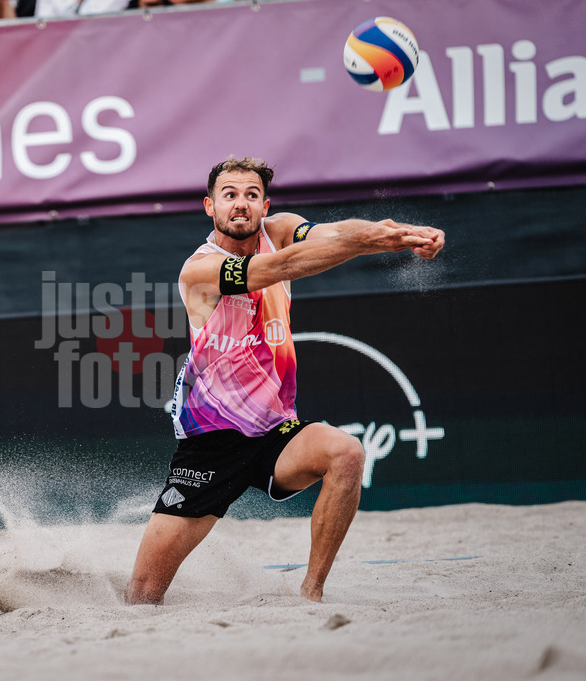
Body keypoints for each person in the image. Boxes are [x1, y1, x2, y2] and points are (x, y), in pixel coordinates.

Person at [125, 157, 445, 605]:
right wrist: (378, 241)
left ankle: (310, 595)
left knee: (347, 453)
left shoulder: (279, 230)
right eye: (230, 195)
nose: (241, 204)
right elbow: (281, 269)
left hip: (276, 431)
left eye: (251, 195)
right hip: (211, 443)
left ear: (265, 204)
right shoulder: (198, 270)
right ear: (209, 206)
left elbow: (334, 232)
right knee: (143, 595)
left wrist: (397, 232)